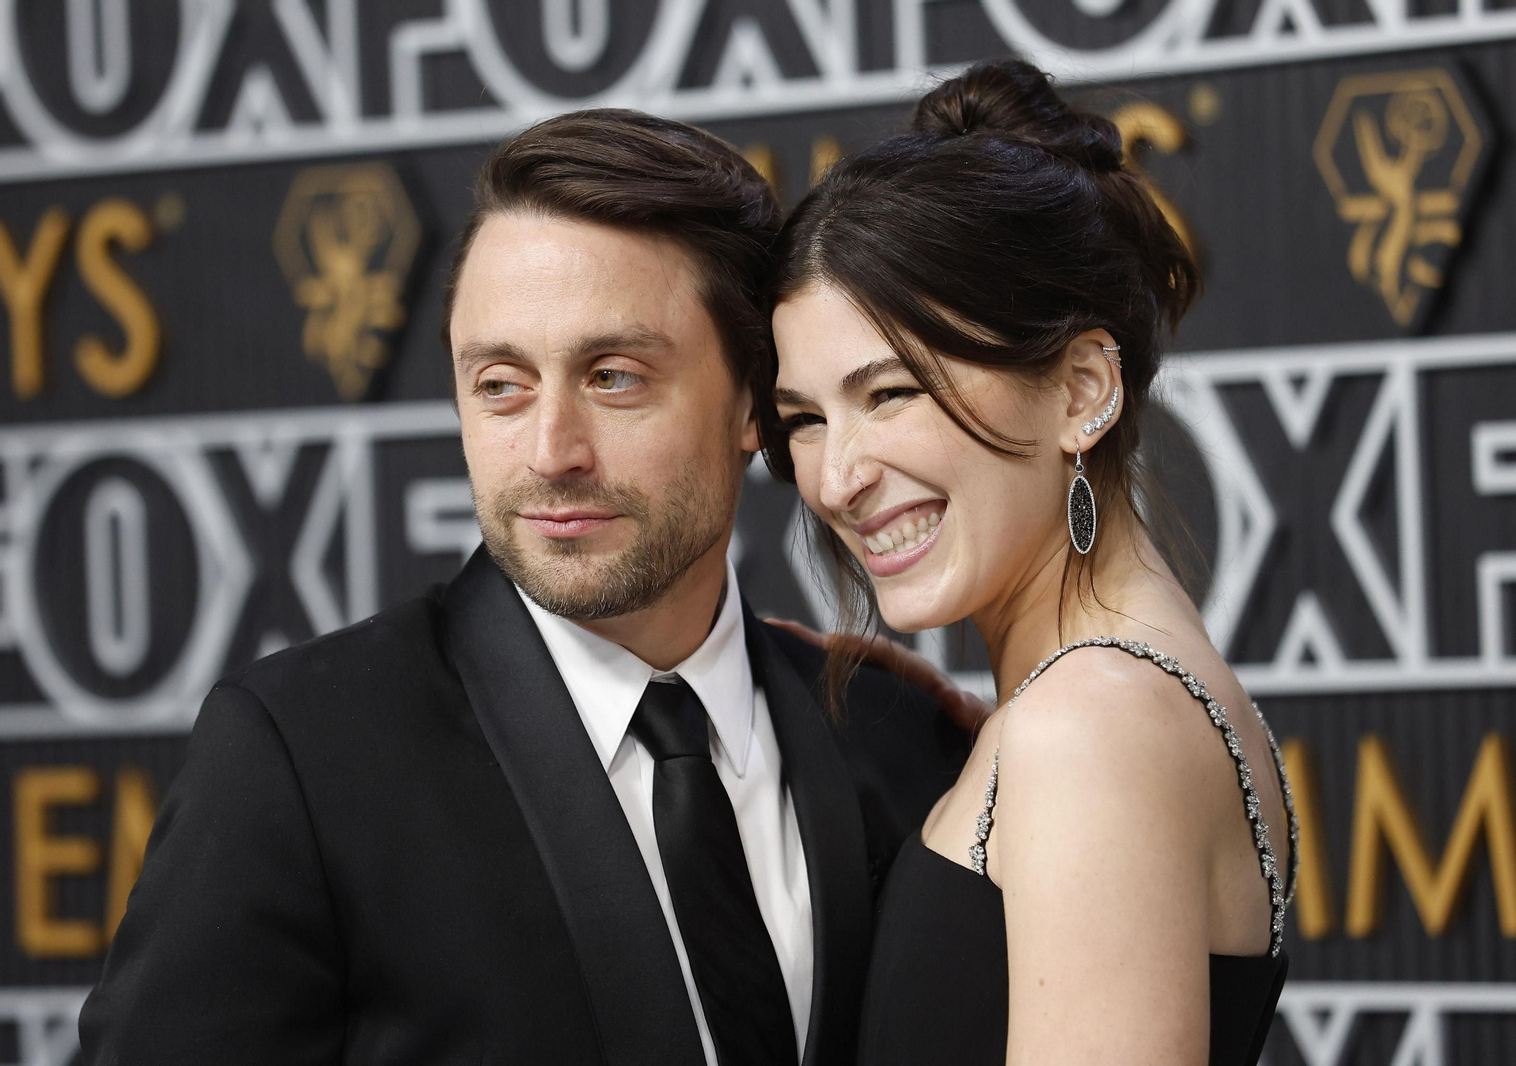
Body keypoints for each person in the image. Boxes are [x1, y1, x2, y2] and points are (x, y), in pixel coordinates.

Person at [78, 110, 967, 1066]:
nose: (551, 454)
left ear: (755, 400)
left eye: (614, 377)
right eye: (500, 384)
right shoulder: (299, 758)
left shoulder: (894, 737)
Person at [764, 60, 1299, 1065]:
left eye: (890, 393)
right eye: (802, 418)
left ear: (1081, 388)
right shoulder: (1116, 697)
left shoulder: (1086, 728)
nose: (834, 478)